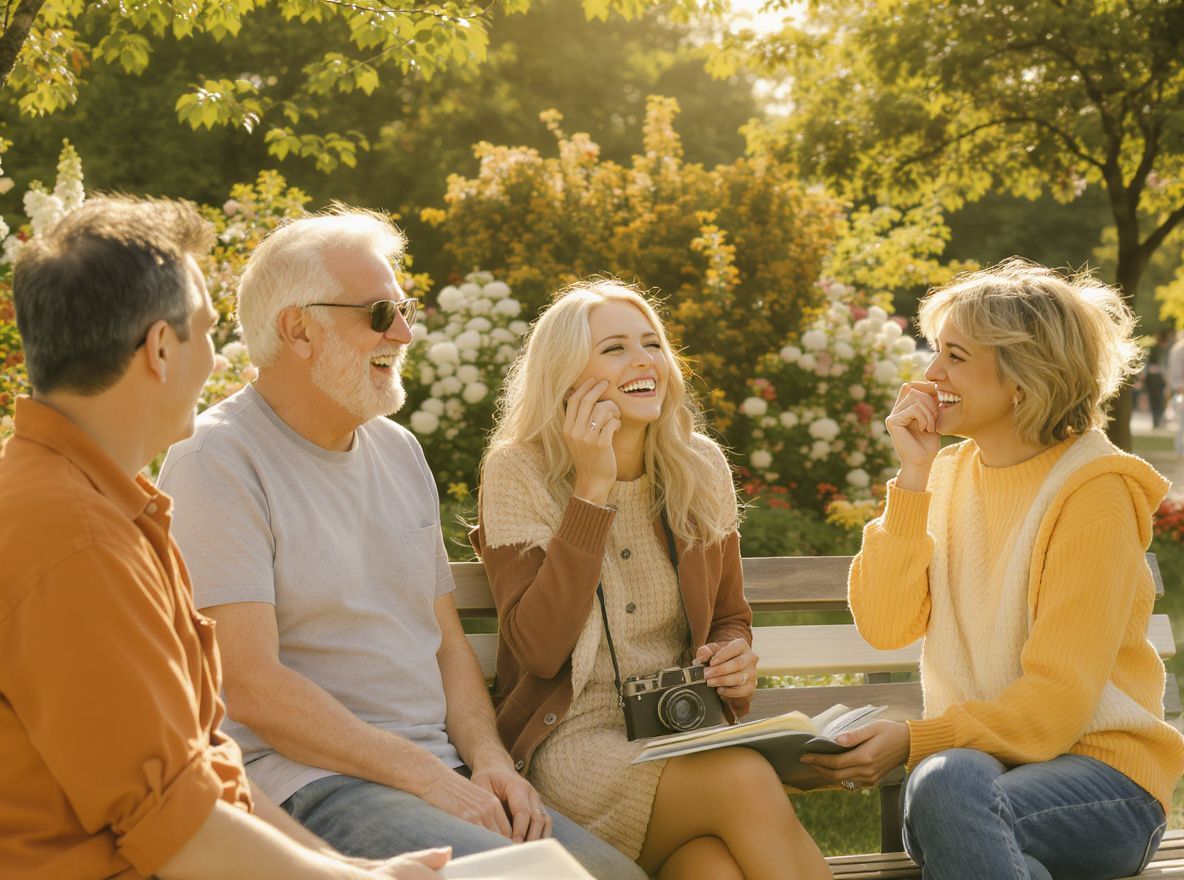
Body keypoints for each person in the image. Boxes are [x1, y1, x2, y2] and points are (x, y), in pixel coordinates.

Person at [157, 209, 643, 880]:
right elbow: (248, 684)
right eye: (380, 313)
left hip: (437, 773)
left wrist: (490, 761)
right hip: (311, 785)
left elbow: (443, 641)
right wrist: (428, 776)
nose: (406, 332)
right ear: (298, 328)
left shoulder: (399, 450)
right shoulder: (217, 459)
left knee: (620, 878)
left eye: (403, 309)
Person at [0, 197, 447, 879]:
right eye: (208, 333)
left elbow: (205, 770)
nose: (218, 361)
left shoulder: (103, 510)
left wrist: (352, 872)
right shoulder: (73, 537)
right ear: (159, 350)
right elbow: (177, 827)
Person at [804, 259, 1184, 879]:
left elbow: (1058, 704)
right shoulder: (948, 478)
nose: (930, 374)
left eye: (955, 355)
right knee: (956, 798)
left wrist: (914, 741)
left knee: (945, 788)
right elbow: (884, 624)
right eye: (935, 352)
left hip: (1103, 788)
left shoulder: (1093, 492)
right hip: (976, 781)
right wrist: (913, 478)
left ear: (1022, 377)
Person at [472, 280, 831, 880]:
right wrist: (591, 489)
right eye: (614, 348)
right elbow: (538, 649)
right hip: (573, 747)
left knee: (711, 870)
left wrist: (734, 655)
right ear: (566, 375)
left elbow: (728, 614)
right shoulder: (518, 470)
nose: (645, 361)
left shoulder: (698, 465)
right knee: (744, 779)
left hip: (680, 736)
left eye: (651, 344)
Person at [1169, 329, 1184, 457]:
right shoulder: (1179, 350)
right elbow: (1176, 374)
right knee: (1181, 422)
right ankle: (1180, 451)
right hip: (1181, 392)